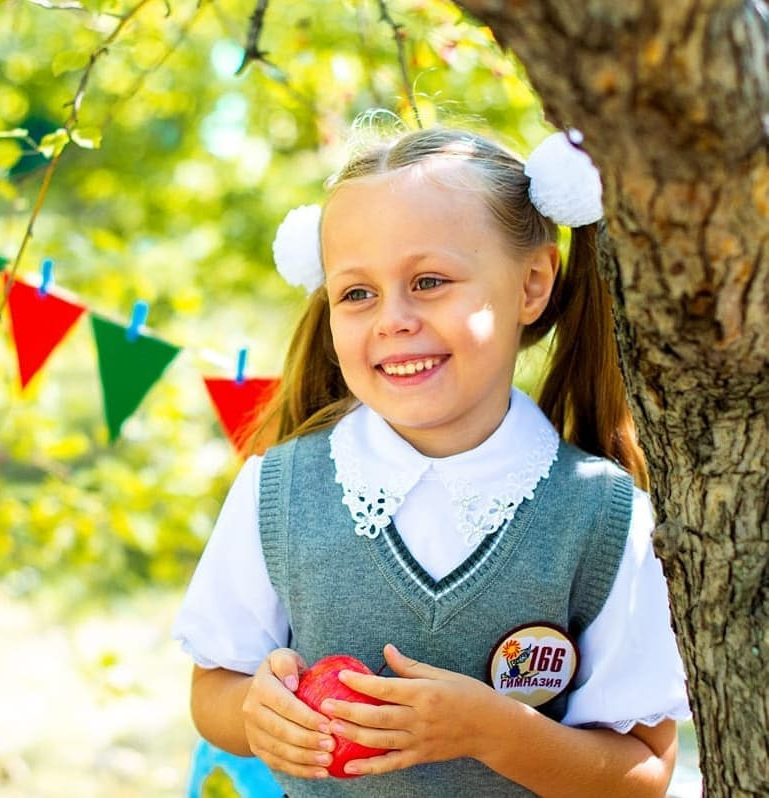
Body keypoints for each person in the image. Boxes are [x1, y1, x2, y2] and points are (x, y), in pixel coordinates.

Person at [173, 125, 690, 796]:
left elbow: (644, 772)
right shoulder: (277, 491)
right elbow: (213, 688)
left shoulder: (603, 514)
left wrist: (492, 733)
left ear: (532, 284)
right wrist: (254, 714)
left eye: (428, 281)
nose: (393, 319)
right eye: (357, 293)